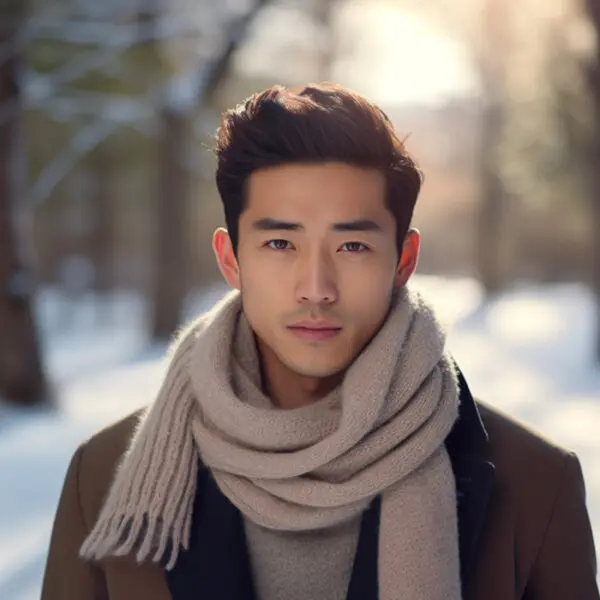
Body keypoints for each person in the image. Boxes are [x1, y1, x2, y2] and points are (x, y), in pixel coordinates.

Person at [41, 83, 599, 600]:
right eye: (281, 243)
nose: (316, 288)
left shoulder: (535, 486)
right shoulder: (105, 478)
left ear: (402, 261)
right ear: (231, 259)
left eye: (352, 247)